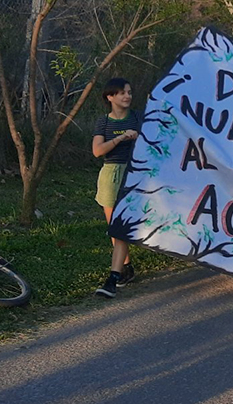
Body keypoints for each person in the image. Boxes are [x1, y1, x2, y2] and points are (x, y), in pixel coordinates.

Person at [92, 77, 142, 298]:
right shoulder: (103, 122)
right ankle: (126, 268)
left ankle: (113, 277)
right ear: (110, 97)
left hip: (136, 173)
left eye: (129, 92)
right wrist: (121, 138)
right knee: (115, 228)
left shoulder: (138, 118)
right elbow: (97, 151)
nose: (127, 96)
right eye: (122, 92)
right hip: (111, 174)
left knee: (121, 227)